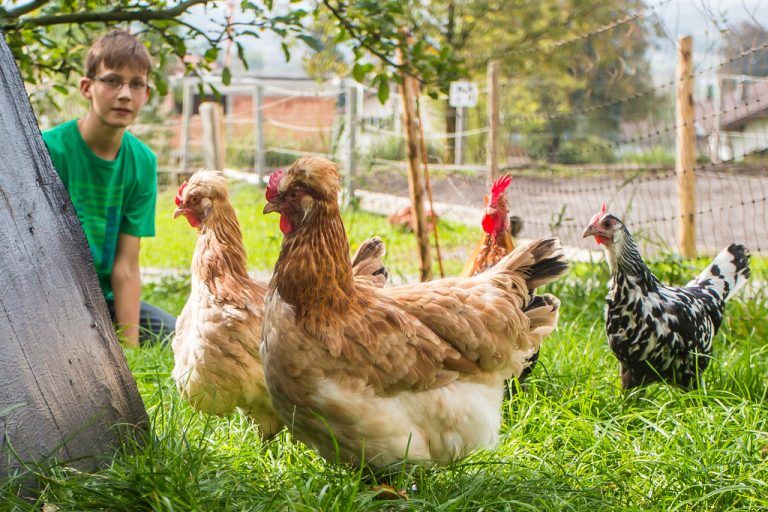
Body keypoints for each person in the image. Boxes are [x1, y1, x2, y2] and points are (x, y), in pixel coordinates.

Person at [42, 30, 175, 347]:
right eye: (113, 81)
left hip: (107, 302)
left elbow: (126, 266)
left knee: (178, 336)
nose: (125, 94)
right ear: (87, 87)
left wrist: (129, 351)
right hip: (49, 297)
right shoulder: (49, 150)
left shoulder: (142, 162)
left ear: (146, 94)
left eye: (136, 84)